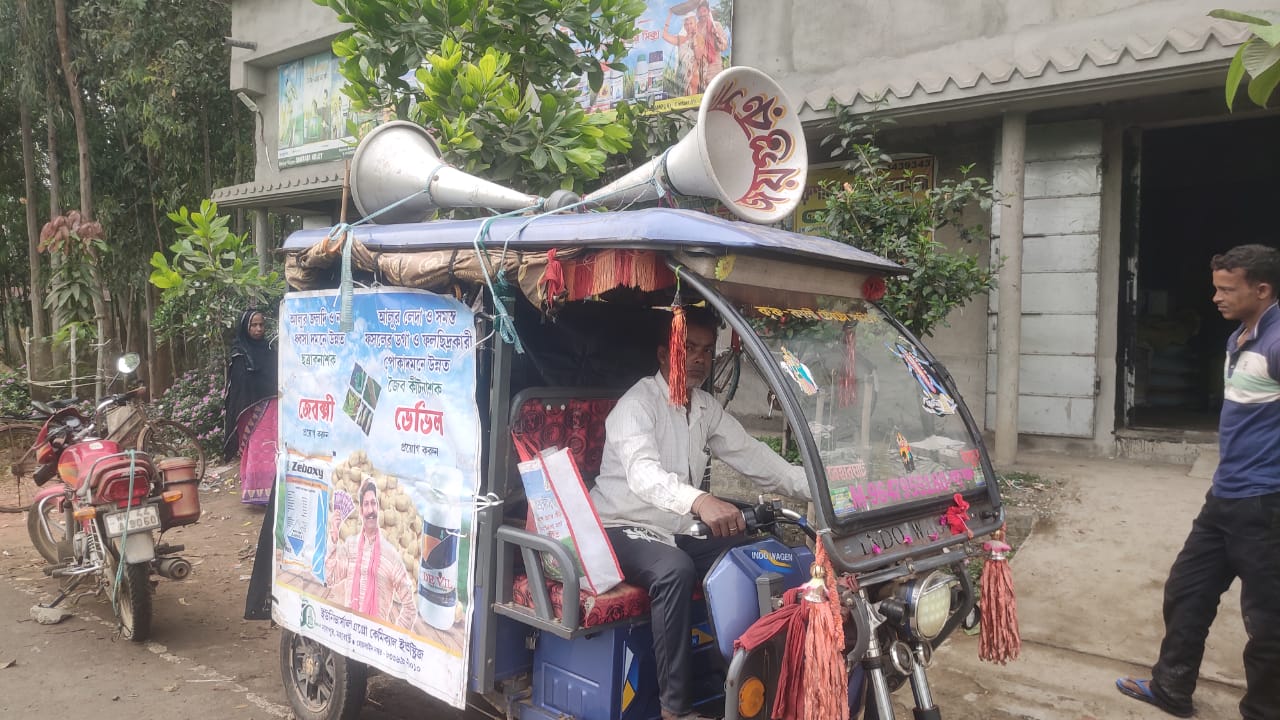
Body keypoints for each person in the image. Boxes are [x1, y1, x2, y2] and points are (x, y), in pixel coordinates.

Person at [589, 307, 810, 720]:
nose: (698, 358)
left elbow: (757, 459)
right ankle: (674, 708)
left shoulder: (704, 408)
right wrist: (700, 501)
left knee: (753, 553)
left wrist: (822, 487)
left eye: (707, 351)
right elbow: (643, 475)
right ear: (663, 354)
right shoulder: (636, 405)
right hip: (620, 525)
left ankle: (751, 678)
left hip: (674, 527)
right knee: (674, 570)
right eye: (688, 348)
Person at [1117, 244, 1280, 720]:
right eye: (1216, 287)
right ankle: (1171, 688)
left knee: (1268, 622)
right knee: (1187, 591)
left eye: (1227, 289)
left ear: (1262, 289)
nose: (1216, 297)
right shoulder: (1241, 338)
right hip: (1225, 495)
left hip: (1265, 503)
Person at [325, 479, 416, 628]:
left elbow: (410, 608)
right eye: (366, 504)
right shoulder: (350, 547)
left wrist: (393, 635)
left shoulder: (390, 556)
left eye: (373, 503)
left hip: (374, 638)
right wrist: (333, 538)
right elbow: (330, 578)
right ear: (361, 511)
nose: (371, 509)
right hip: (348, 632)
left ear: (378, 508)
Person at [222, 308, 278, 460]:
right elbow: (240, 388)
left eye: (261, 325)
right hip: (249, 410)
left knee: (270, 445)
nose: (258, 329)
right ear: (245, 327)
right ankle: (252, 474)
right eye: (254, 325)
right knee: (255, 446)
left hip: (271, 407)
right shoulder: (239, 353)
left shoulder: (269, 349)